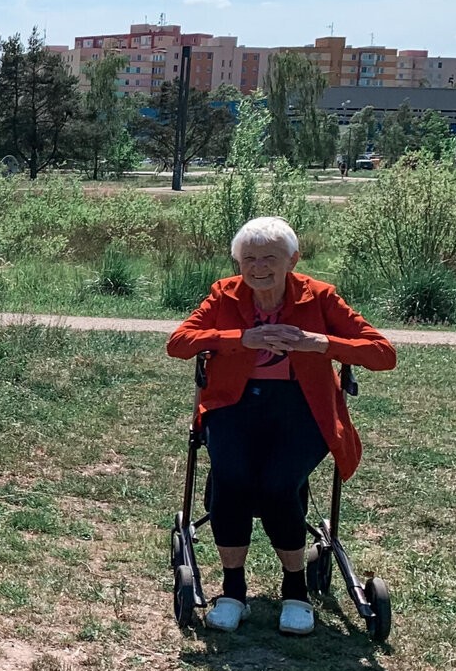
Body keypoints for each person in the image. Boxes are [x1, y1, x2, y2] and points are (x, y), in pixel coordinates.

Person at [167, 216, 396, 636]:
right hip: (233, 405)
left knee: (278, 485)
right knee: (230, 480)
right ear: (239, 262)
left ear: (292, 259)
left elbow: (383, 353)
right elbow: (178, 343)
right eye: (249, 259)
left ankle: (295, 591)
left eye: (269, 258)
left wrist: (321, 343)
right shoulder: (224, 294)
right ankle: (233, 591)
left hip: (303, 407)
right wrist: (240, 338)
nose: (258, 268)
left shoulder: (320, 297)